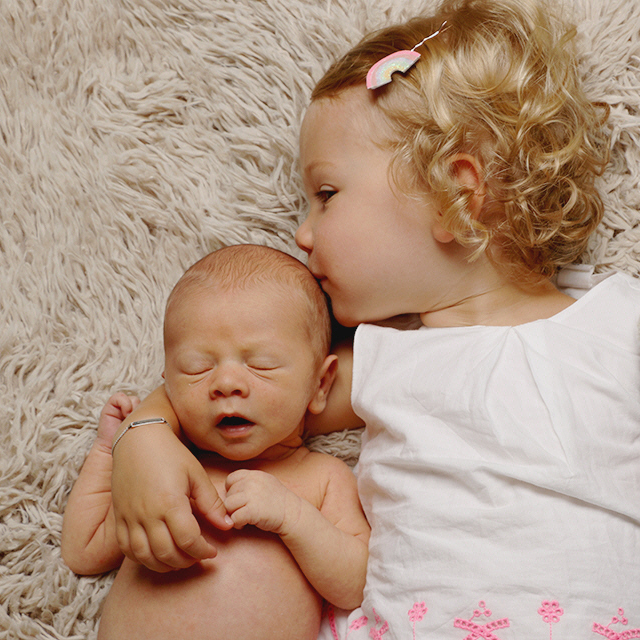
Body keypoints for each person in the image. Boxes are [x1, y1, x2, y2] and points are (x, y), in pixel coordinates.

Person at [101, 0, 640, 637]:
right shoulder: (386, 359)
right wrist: (144, 440)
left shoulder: (619, 321)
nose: (302, 234)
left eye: (326, 195)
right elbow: (226, 395)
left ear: (456, 193)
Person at [61, 244, 370, 640]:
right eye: (197, 367)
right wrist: (111, 450)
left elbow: (355, 584)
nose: (225, 383)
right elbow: (83, 550)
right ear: (168, 384)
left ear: (321, 384)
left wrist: (292, 518)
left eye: (260, 364)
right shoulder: (165, 473)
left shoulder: (322, 477)